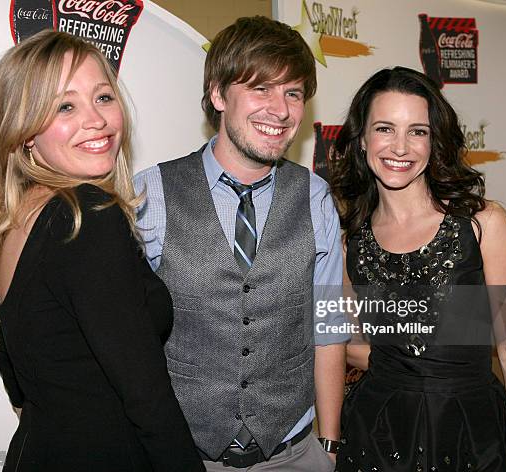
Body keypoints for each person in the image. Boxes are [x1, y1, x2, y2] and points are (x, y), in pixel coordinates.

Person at [0, 30, 205, 472]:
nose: (96, 120)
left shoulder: (16, 221)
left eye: (102, 97)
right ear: (24, 133)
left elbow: (18, 376)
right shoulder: (86, 216)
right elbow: (146, 395)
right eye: (65, 105)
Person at [133, 16, 347, 472]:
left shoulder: (316, 198)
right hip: (182, 455)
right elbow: (126, 339)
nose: (281, 109)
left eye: (293, 93)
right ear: (217, 94)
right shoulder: (150, 194)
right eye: (261, 89)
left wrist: (328, 446)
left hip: (294, 454)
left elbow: (328, 330)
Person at [329, 66, 506, 472]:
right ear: (361, 140)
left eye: (418, 131)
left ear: (435, 140)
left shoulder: (485, 224)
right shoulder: (346, 241)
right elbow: (347, 345)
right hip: (378, 434)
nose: (401, 147)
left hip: (471, 434)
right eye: (385, 129)